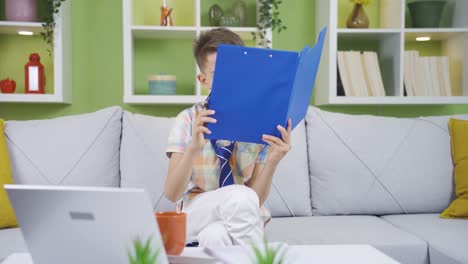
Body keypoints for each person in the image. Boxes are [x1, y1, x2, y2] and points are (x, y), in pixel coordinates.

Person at [165, 27, 292, 247]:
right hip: (195, 213)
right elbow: (172, 193)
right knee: (239, 196)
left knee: (215, 236)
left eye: (236, 71)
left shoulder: (260, 123)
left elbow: (255, 200)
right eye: (219, 72)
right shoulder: (187, 120)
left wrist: (272, 161)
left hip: (236, 214)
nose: (230, 78)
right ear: (203, 79)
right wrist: (194, 148)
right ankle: (260, 258)